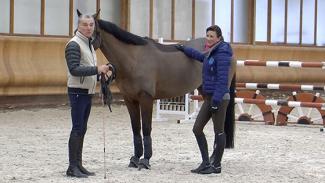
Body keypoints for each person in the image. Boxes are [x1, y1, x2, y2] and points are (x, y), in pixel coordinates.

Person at [176, 25, 233, 174]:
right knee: (197, 129)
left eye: (211, 36)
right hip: (209, 98)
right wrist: (184, 49)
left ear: (218, 38)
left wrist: (215, 102)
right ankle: (206, 163)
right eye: (207, 35)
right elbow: (200, 57)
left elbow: (222, 81)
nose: (208, 39)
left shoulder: (222, 53)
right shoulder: (211, 52)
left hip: (219, 99)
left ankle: (217, 166)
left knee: (219, 131)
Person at [65, 14, 110, 178]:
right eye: (85, 25)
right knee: (77, 128)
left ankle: (78, 164)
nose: (89, 27)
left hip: (87, 91)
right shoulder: (74, 45)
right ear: (79, 26)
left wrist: (101, 75)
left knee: (82, 129)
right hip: (77, 91)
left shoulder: (89, 45)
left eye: (91, 25)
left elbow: (88, 69)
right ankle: (72, 167)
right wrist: (97, 69)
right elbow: (74, 69)